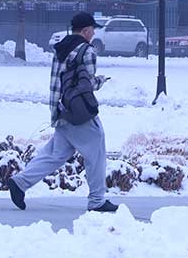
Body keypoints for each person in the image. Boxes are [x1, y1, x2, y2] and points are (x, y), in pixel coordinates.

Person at [7, 12, 117, 212]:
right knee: (97, 150)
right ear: (85, 30)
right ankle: (97, 201)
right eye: (92, 29)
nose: (94, 33)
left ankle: (20, 183)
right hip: (79, 113)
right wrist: (101, 81)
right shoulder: (87, 51)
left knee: (56, 153)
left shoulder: (61, 49)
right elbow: (87, 84)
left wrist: (56, 112)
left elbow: (57, 82)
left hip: (61, 109)